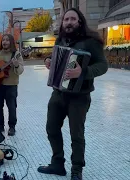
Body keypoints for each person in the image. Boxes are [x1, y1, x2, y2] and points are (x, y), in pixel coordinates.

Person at [37, 8, 108, 180]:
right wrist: (48, 60)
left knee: (76, 134)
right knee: (51, 128)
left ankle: (77, 170)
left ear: (79, 22)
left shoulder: (91, 42)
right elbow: (54, 57)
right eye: (66, 19)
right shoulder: (60, 39)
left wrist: (83, 72)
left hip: (80, 95)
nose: (68, 22)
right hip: (58, 93)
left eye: (72, 19)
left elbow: (103, 65)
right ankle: (57, 164)